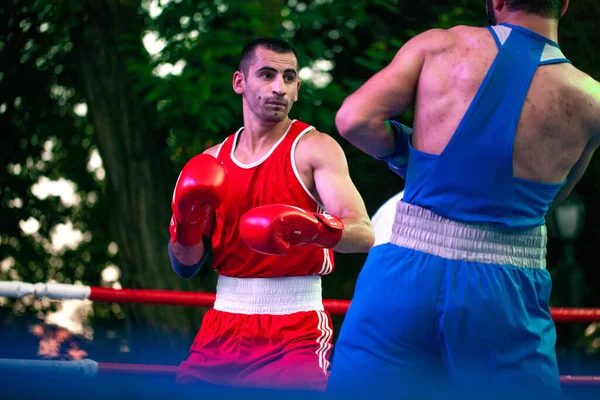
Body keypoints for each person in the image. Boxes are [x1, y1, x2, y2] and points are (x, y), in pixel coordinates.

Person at [328, 0, 600, 398]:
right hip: (504, 285)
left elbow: (353, 120)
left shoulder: (440, 46)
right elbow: (554, 199)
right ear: (563, 5)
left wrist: (418, 161)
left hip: (405, 267)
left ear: (497, 1)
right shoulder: (592, 98)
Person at [167, 38, 374, 392]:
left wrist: (312, 229)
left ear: (297, 88)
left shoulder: (314, 148)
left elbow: (364, 233)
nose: (279, 87)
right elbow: (185, 266)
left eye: (289, 77)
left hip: (295, 328)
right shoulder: (209, 163)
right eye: (266, 75)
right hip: (222, 324)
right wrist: (186, 226)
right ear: (240, 82)